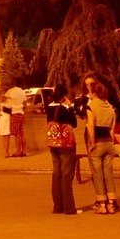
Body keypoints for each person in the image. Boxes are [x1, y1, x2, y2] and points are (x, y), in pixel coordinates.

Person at [45, 83, 81, 216]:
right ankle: (69, 207)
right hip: (65, 145)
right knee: (67, 176)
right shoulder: (63, 109)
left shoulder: (49, 108)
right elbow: (74, 123)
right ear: (64, 96)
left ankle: (57, 206)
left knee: (57, 174)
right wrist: (70, 107)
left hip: (53, 144)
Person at [85, 78, 118, 214]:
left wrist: (92, 143)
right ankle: (111, 203)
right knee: (109, 174)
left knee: (98, 175)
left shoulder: (91, 106)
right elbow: (112, 129)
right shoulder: (109, 107)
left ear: (94, 93)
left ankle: (102, 203)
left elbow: (91, 126)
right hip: (109, 142)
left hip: (98, 141)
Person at [2, 77, 27, 156]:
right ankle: (24, 151)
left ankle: (18, 151)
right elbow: (25, 104)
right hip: (21, 113)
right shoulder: (22, 91)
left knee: (16, 134)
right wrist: (24, 115)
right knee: (22, 133)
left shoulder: (10, 91)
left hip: (14, 113)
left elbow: (2, 99)